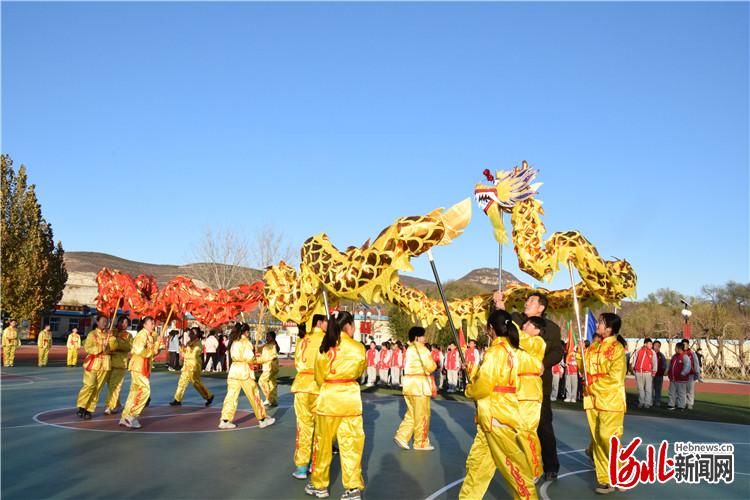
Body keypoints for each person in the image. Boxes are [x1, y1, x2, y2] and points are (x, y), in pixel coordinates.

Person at [459, 309, 537, 500]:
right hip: (495, 417)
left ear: (491, 329)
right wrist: (471, 369)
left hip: (497, 418)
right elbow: (491, 378)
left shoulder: (495, 352)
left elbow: (484, 386)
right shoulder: (511, 351)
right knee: (477, 465)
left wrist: (470, 390)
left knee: (514, 470)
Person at [495, 291, 563, 481]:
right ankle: (520, 463)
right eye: (527, 300)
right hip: (515, 382)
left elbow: (558, 352)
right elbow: (503, 323)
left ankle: (550, 466)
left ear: (541, 307)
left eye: (531, 301)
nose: (526, 303)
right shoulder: (517, 319)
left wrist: (543, 363)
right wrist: (499, 305)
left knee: (543, 426)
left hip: (538, 385)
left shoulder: (552, 328)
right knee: (515, 425)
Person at [305, 311, 366, 500]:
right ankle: (353, 487)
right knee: (352, 445)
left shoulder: (326, 347)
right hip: (351, 400)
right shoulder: (358, 348)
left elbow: (318, 376)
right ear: (348, 325)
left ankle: (319, 485)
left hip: (329, 399)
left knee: (322, 444)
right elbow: (361, 371)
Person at [580, 313, 627, 495]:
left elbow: (616, 378)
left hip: (611, 400)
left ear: (609, 329)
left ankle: (622, 472)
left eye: (601, 323)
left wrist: (594, 385)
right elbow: (583, 367)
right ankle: (605, 480)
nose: (598, 325)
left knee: (608, 437)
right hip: (592, 400)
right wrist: (579, 354)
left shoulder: (617, 349)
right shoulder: (593, 348)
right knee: (598, 440)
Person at [218, 323, 275, 429]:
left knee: (231, 396)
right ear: (246, 332)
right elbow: (250, 359)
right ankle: (262, 419)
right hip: (244, 372)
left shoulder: (234, 342)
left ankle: (225, 419)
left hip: (234, 371)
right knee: (254, 395)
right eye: (248, 331)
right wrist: (263, 358)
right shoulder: (246, 342)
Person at [291, 315, 328, 480]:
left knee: (303, 428)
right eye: (326, 321)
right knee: (320, 428)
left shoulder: (302, 340)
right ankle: (316, 464)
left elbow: (297, 362)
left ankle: (301, 467)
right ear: (320, 322)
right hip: (319, 387)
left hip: (301, 387)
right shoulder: (327, 340)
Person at [394, 326, 437, 451]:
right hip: (420, 385)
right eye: (423, 336)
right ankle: (421, 442)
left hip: (408, 385)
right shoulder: (422, 349)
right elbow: (430, 366)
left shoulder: (409, 349)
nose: (425, 338)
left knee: (412, 413)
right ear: (417, 337)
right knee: (422, 415)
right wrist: (434, 364)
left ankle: (402, 435)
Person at [119, 316, 162, 429]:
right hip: (138, 366)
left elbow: (152, 353)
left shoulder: (150, 336)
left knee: (134, 392)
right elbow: (139, 350)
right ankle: (132, 415)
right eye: (151, 323)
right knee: (145, 390)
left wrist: (156, 348)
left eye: (153, 323)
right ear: (144, 324)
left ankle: (125, 416)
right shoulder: (141, 335)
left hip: (142, 366)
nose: (153, 325)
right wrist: (152, 351)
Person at [518, 317, 546, 482]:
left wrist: (505, 319)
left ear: (537, 330)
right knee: (517, 431)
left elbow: (518, 336)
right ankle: (524, 465)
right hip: (517, 389)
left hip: (530, 392)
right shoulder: (521, 345)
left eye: (528, 324)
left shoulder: (537, 341)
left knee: (527, 431)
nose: (524, 325)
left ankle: (535, 468)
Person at [75, 315, 112, 419]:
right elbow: (88, 348)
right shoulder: (92, 334)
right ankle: (82, 406)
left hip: (105, 364)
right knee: (89, 385)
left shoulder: (109, 335)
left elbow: (113, 348)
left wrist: (110, 343)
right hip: (93, 363)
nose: (105, 323)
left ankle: (89, 409)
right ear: (97, 322)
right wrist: (101, 347)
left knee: (97, 388)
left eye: (107, 321)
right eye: (103, 321)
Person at [170, 327, 214, 407]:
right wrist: (181, 348)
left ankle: (209, 396)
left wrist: (185, 352)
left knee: (196, 383)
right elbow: (185, 353)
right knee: (182, 382)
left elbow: (193, 355)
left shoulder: (198, 344)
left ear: (196, 334)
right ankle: (177, 399)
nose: (190, 334)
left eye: (192, 333)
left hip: (194, 366)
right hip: (187, 365)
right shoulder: (189, 342)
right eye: (190, 333)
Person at [104, 316, 133, 415]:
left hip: (120, 363)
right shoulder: (112, 332)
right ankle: (117, 403)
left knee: (115, 386)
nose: (124, 324)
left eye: (126, 323)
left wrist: (115, 343)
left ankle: (110, 406)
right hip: (108, 362)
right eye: (122, 322)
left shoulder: (128, 335)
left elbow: (127, 346)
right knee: (111, 386)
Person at [631, 338, 657, 408]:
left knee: (648, 389)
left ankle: (647, 403)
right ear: (645, 344)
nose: (651, 345)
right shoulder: (639, 350)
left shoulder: (652, 352)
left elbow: (655, 362)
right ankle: (641, 402)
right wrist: (634, 368)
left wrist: (654, 371)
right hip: (639, 372)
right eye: (650, 344)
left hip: (648, 373)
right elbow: (634, 359)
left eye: (651, 344)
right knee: (640, 388)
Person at [259, 330, 280, 407]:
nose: (266, 338)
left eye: (268, 336)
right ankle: (273, 400)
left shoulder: (272, 345)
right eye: (266, 336)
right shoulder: (268, 345)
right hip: (272, 367)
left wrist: (259, 360)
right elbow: (260, 349)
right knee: (272, 383)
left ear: (272, 337)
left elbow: (270, 356)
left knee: (262, 381)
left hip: (269, 367)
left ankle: (269, 398)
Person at [667, 343, 691, 411]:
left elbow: (688, 366)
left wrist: (683, 373)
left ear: (679, 348)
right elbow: (671, 365)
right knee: (671, 392)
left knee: (681, 393)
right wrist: (669, 373)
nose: (675, 349)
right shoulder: (674, 356)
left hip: (681, 379)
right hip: (673, 378)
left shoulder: (685, 356)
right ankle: (671, 404)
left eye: (676, 348)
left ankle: (681, 406)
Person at [682, 340, 701, 410]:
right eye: (683, 344)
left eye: (686, 344)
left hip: (690, 374)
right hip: (682, 375)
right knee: (682, 390)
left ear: (688, 345)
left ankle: (690, 403)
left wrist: (697, 373)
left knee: (690, 390)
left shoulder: (692, 353)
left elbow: (696, 364)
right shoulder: (680, 353)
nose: (684, 346)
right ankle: (683, 403)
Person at [652, 340, 667, 407]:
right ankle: (650, 400)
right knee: (650, 389)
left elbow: (664, 365)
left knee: (658, 389)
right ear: (653, 346)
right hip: (651, 375)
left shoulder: (661, 355)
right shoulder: (650, 354)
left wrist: (662, 372)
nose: (656, 347)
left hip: (659, 376)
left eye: (658, 346)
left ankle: (657, 401)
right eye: (655, 345)